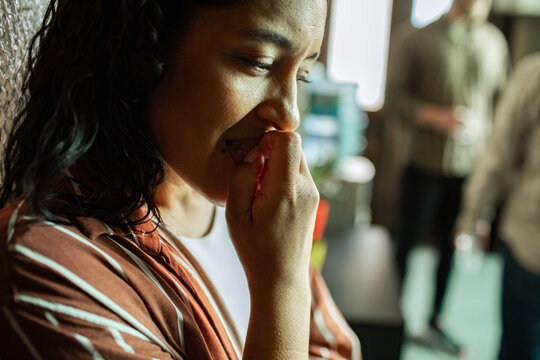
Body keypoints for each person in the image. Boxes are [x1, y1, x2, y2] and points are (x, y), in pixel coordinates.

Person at [0, 0, 361, 359]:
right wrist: (282, 284)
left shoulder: (255, 207)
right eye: (258, 63)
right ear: (142, 48)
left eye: (302, 75)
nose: (289, 114)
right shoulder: (48, 263)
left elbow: (334, 350)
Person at [384, 0, 509, 354]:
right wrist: (435, 116)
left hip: (470, 168)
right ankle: (393, 321)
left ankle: (437, 320)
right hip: (423, 164)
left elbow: (501, 107)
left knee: (452, 248)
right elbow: (394, 101)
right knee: (405, 246)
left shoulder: (494, 44)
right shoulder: (417, 40)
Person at [455, 52, 540, 360]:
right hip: (530, 238)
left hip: (530, 244)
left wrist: (472, 217)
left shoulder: (533, 74)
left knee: (520, 346)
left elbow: (498, 157)